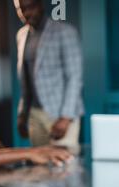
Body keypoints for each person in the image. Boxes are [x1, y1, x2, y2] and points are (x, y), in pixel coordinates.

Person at [14, 0, 84, 153]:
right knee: (40, 170)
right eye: (21, 9)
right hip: (34, 114)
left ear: (40, 5)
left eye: (30, 7)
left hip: (60, 114)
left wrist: (66, 117)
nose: (26, 13)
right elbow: (26, 80)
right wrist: (22, 114)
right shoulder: (21, 36)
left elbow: (74, 77)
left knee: (64, 169)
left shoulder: (65, 32)